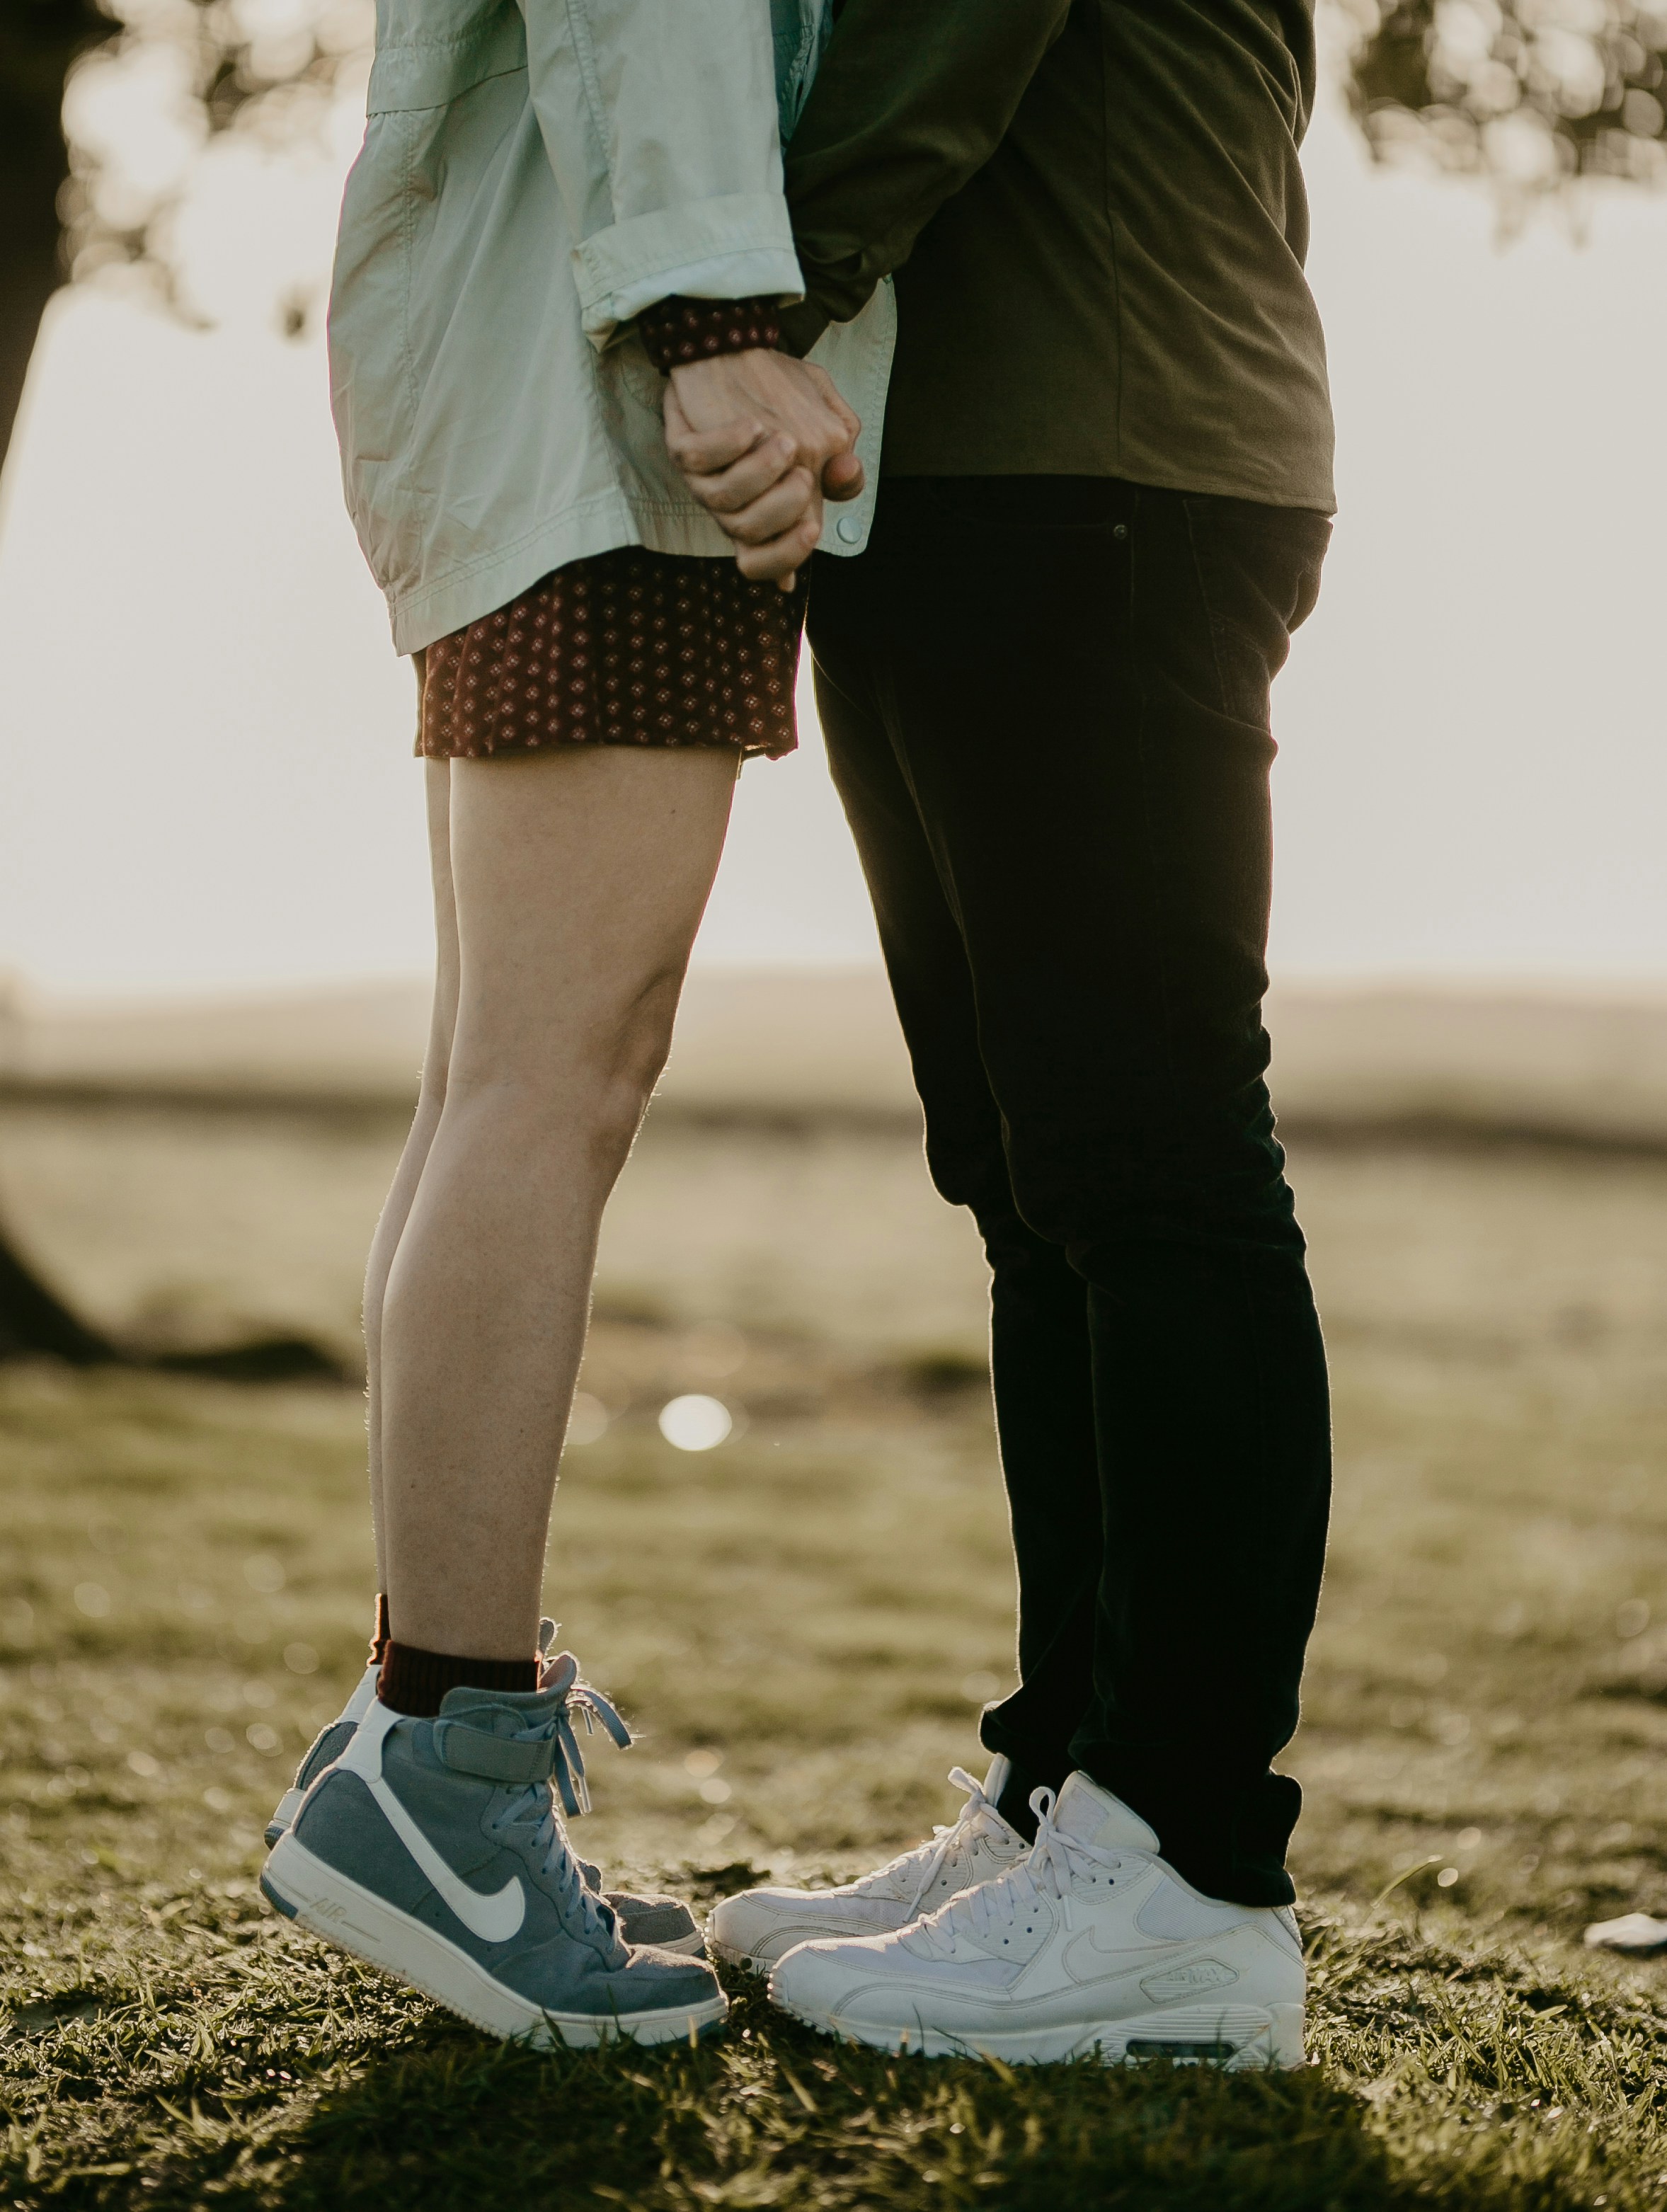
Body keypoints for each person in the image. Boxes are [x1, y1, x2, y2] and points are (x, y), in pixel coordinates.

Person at [691, 0, 1337, 2068]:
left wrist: (705, 299)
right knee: (1037, 1189)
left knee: (1150, 1176)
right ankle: (1073, 1794)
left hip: (1105, 463)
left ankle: (1187, 1876)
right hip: (967, 476)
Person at [258, 0, 884, 2046]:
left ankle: (422, 1744)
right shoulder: (675, 345)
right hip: (615, 421)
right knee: (550, 1084)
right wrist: (711, 313)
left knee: (503, 1088)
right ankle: (437, 1772)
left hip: (552, 397)